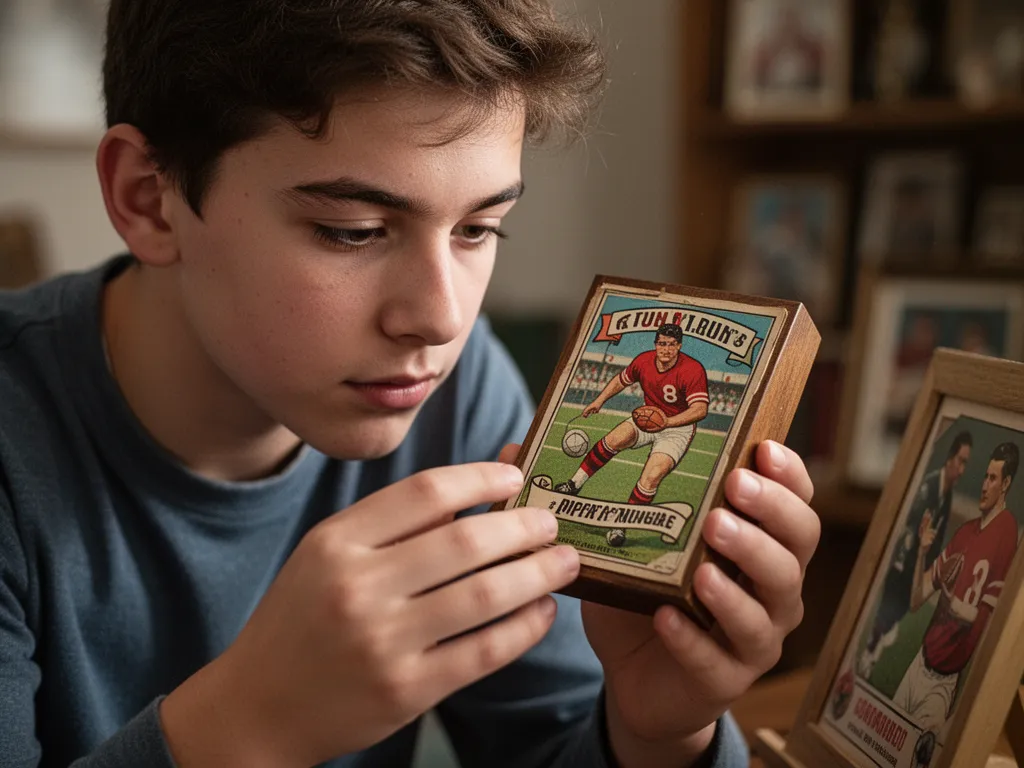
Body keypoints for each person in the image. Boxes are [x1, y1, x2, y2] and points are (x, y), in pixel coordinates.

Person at [0, 2, 822, 766]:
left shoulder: (455, 396)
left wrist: (651, 731)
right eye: (351, 231)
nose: (441, 319)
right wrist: (243, 724)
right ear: (149, 199)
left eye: (479, 229)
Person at [893, 442, 1020, 737]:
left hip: (942, 682)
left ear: (1007, 484)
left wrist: (950, 599)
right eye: (985, 476)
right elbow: (916, 599)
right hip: (918, 665)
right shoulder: (965, 533)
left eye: (993, 478)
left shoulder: (1007, 532)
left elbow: (982, 622)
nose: (984, 485)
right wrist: (923, 554)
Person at [857, 431, 973, 680]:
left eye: (966, 463)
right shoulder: (929, 487)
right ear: (950, 459)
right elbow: (910, 532)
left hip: (914, 572)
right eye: (961, 461)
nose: (963, 469)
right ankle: (869, 653)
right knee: (886, 620)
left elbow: (935, 538)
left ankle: (873, 648)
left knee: (891, 620)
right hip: (903, 569)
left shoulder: (947, 493)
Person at [554, 324, 709, 507]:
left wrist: (668, 422)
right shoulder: (643, 361)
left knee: (652, 476)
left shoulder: (692, 369)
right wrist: (599, 401)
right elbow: (621, 380)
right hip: (648, 416)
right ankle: (574, 484)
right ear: (655, 344)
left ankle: (624, 522)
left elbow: (700, 409)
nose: (666, 349)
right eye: (662, 343)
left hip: (677, 428)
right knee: (613, 439)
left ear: (679, 346)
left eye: (671, 344)